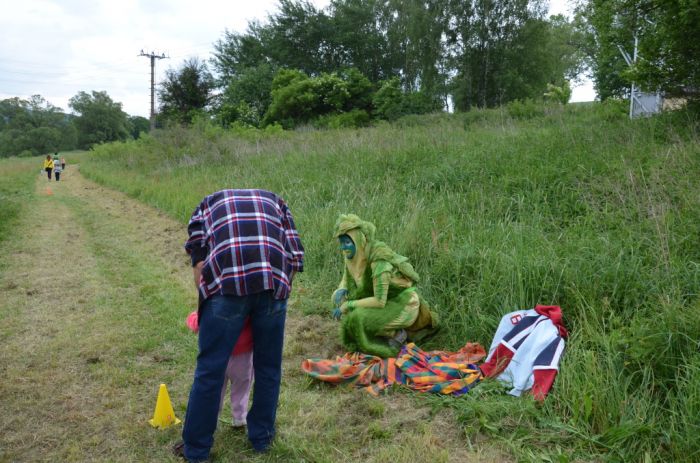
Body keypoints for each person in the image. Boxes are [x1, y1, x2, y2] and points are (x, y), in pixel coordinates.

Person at [174, 189, 304, 462]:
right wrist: (284, 286)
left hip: (228, 287)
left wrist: (201, 271)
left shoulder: (207, 203)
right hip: (273, 282)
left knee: (210, 370)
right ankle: (262, 439)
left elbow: (197, 247)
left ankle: (196, 450)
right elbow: (294, 251)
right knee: (268, 368)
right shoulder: (276, 201)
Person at [331, 214, 439, 358]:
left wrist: (350, 304)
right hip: (380, 299)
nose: (343, 248)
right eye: (341, 243)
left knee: (357, 317)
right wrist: (341, 289)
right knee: (341, 305)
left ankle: (397, 334)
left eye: (347, 243)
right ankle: (380, 332)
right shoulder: (353, 255)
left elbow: (379, 301)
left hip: (402, 302)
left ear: (357, 240)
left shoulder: (378, 259)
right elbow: (347, 277)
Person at [185, 310, 253, 428]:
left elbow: (200, 319)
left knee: (216, 388)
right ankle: (240, 417)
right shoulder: (248, 300)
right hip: (243, 355)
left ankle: (212, 418)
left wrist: (193, 319)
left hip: (217, 354)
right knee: (242, 387)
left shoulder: (217, 302)